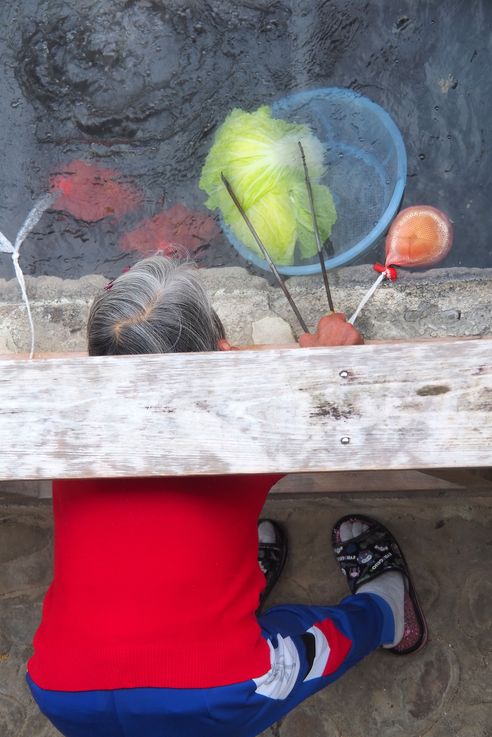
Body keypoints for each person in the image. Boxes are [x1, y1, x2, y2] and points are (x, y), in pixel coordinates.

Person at [27, 255, 427, 737]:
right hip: (223, 689)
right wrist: (331, 361)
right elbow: (332, 409)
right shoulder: (243, 436)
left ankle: (241, 579)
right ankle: (387, 611)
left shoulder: (59, 430)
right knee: (319, 639)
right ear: (220, 351)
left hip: (62, 691)